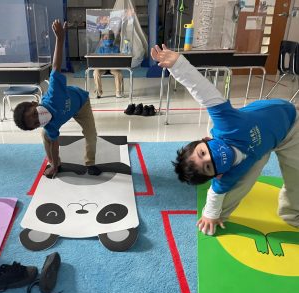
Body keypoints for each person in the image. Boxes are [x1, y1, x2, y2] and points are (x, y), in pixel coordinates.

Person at [151, 44, 299, 236]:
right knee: (239, 183)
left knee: (296, 176)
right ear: (218, 174)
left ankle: (292, 214)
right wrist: (210, 214)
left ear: (206, 139)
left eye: (202, 153)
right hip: (258, 150)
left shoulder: (227, 124)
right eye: (208, 167)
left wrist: (177, 64)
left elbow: (204, 92)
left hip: (291, 126)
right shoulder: (228, 174)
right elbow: (217, 191)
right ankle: (220, 216)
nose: (210, 158)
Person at [13, 20, 101, 178]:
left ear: (35, 103)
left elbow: (55, 66)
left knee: (91, 134)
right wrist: (54, 165)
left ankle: (91, 162)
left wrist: (60, 38)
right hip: (65, 113)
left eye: (34, 114)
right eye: (35, 124)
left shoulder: (53, 94)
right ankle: (54, 163)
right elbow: (55, 145)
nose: (38, 119)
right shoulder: (49, 125)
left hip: (81, 103)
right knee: (46, 137)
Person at [93, 30, 123, 98]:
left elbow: (119, 59)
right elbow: (97, 60)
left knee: (118, 73)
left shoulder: (116, 48)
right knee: (96, 72)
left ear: (113, 39)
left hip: (113, 67)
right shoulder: (101, 49)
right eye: (106, 38)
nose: (108, 40)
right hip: (102, 68)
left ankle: (118, 92)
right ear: (103, 39)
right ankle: (98, 92)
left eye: (110, 38)